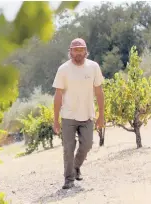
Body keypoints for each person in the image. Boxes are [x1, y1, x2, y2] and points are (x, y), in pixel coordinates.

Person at [52, 38, 105, 189]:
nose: (79, 53)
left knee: (87, 145)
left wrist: (101, 115)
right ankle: (69, 179)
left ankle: (76, 167)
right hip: (68, 116)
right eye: (75, 50)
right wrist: (55, 120)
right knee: (68, 148)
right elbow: (58, 95)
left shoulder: (93, 67)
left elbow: (99, 92)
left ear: (86, 51)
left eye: (81, 49)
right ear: (70, 52)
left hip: (88, 114)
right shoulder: (63, 69)